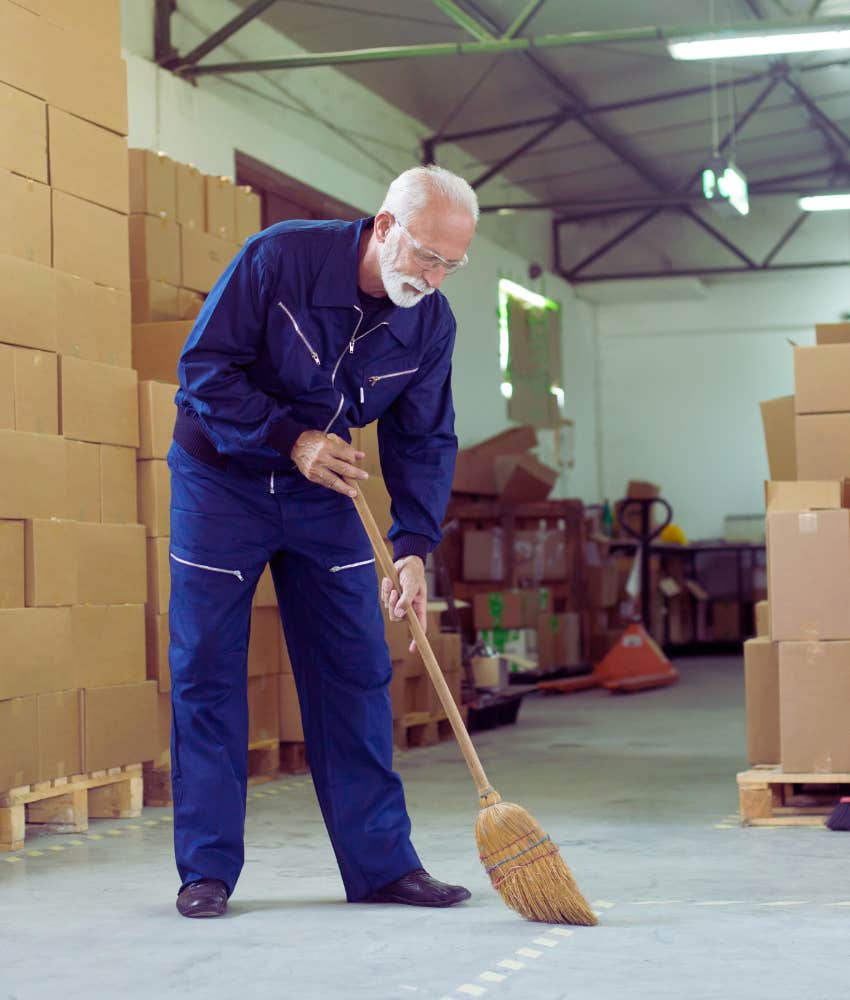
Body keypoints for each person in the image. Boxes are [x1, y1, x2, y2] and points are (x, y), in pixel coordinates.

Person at [168, 164, 479, 918]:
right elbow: (204, 371)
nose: (434, 277)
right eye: (427, 256)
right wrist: (289, 439)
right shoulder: (280, 257)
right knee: (207, 667)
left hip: (325, 491)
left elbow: (425, 437)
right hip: (223, 481)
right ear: (383, 227)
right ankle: (207, 869)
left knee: (354, 669)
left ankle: (380, 867)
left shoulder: (430, 324)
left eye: (452, 265)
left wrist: (412, 545)